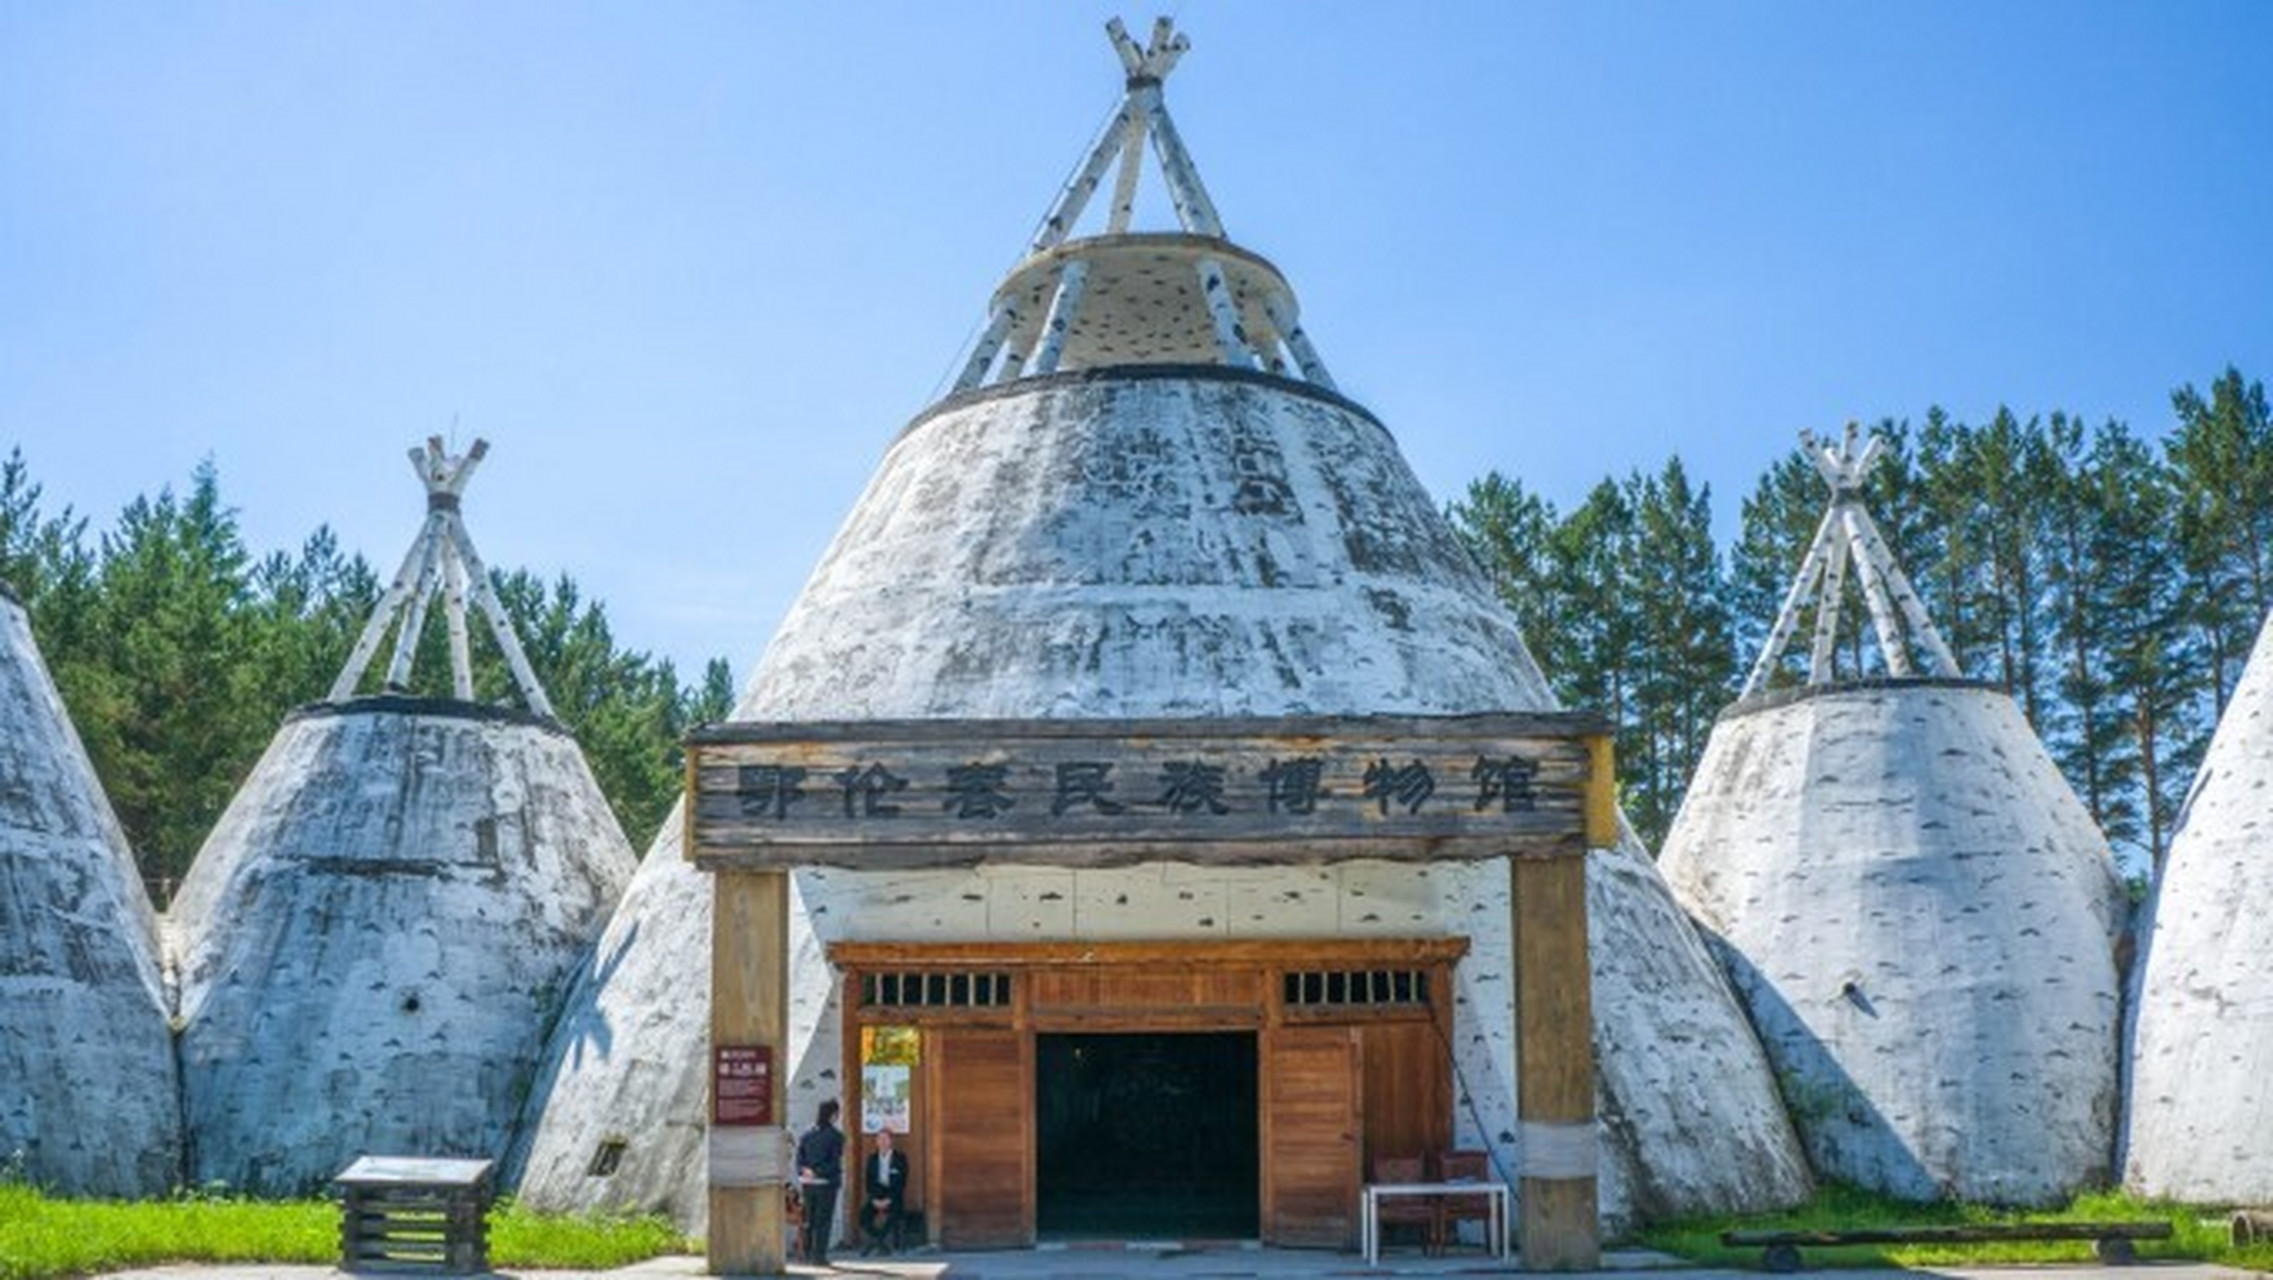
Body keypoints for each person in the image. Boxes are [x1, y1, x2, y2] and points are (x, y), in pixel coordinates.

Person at [795, 1099, 845, 1265]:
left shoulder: (806, 1134)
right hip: (826, 1183)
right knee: (823, 1221)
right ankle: (819, 1256)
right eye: (837, 1114)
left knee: (809, 1219)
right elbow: (834, 1162)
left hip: (807, 1183)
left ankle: (807, 1254)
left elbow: (799, 1158)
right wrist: (817, 1172)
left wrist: (805, 1171)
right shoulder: (836, 1136)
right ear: (833, 1115)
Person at [858, 1129, 910, 1255]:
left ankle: (875, 1243)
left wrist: (889, 1199)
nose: (883, 1142)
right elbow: (868, 1182)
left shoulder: (900, 1158)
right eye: (880, 1139)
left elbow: (902, 1182)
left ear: (891, 1141)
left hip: (894, 1194)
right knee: (863, 1216)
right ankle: (880, 1242)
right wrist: (874, 1199)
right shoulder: (872, 1159)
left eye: (886, 1139)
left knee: (894, 1214)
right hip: (877, 1193)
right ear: (876, 1142)